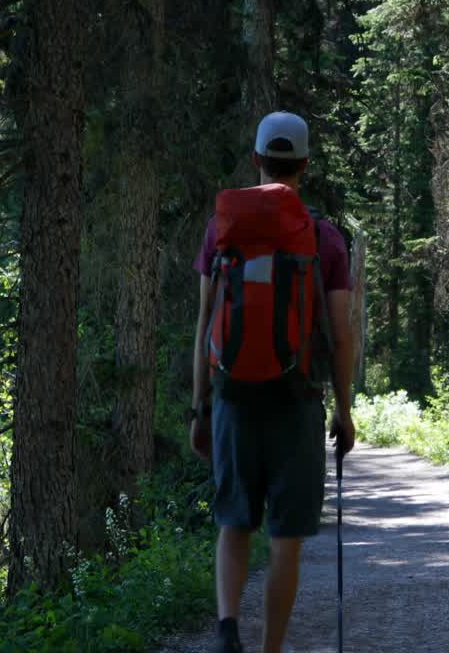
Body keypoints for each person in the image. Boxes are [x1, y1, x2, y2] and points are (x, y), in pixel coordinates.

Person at [189, 111, 357, 653]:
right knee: (286, 537)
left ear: (257, 158)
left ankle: (227, 629)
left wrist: (200, 408)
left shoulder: (223, 229)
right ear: (304, 164)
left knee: (234, 521)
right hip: (298, 397)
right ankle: (271, 649)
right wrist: (345, 409)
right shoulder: (324, 239)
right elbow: (342, 331)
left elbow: (204, 325)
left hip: (233, 397)